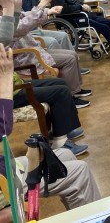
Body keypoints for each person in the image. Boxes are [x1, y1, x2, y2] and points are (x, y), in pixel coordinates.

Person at [0, 43, 101, 218]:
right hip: (4, 182)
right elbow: (3, 127)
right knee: (80, 171)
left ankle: (84, 216)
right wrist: (5, 81)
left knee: (65, 155)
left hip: (6, 167)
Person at [0, 0, 92, 109]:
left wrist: (46, 10)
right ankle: (72, 95)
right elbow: (19, 28)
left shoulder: (8, 7)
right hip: (24, 57)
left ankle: (75, 91)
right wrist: (42, 5)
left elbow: (23, 16)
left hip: (30, 48)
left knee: (71, 54)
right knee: (68, 58)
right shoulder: (5, 11)